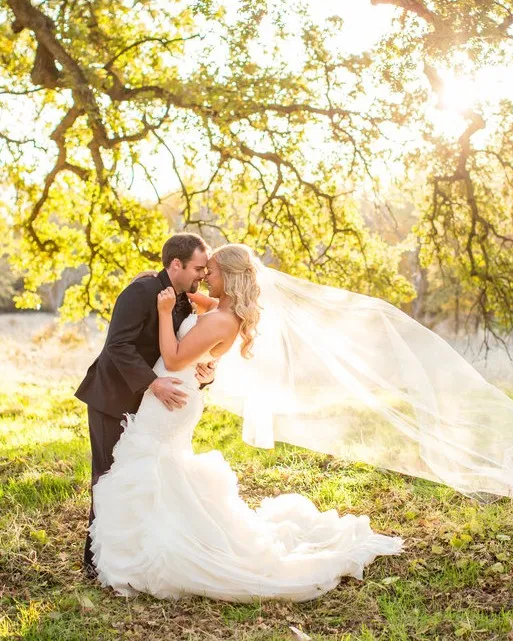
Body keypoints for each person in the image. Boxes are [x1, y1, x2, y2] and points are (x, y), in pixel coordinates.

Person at [88, 244, 403, 601]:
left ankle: (156, 549)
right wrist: (156, 282)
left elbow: (175, 360)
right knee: (158, 470)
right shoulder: (221, 309)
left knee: (152, 467)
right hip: (172, 395)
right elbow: (191, 302)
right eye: (202, 269)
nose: (206, 275)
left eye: (212, 271)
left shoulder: (224, 318)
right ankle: (142, 543)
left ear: (231, 277)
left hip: (170, 395)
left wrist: (163, 312)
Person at [75, 233, 217, 579]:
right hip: (113, 397)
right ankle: (95, 559)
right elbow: (117, 346)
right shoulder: (139, 292)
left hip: (149, 405)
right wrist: (153, 383)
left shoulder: (184, 299)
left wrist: (206, 370)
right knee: (108, 476)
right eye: (199, 268)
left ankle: (132, 551)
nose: (203, 274)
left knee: (138, 476)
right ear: (176, 264)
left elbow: (187, 348)